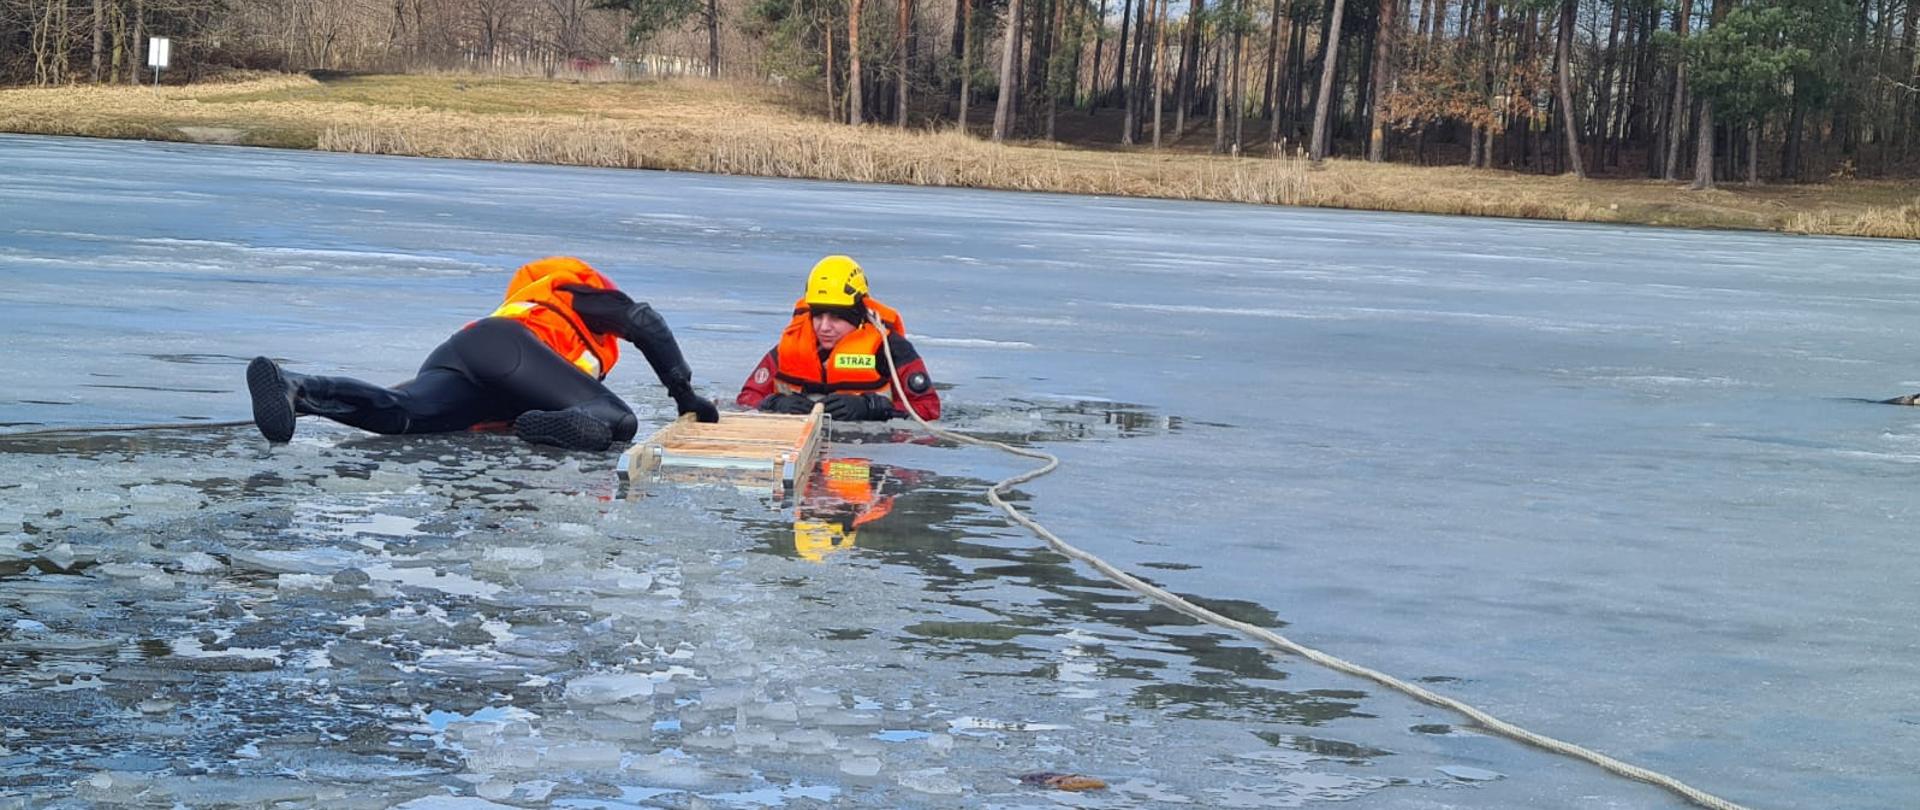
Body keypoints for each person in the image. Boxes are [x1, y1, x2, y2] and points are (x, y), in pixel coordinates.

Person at [245, 256, 717, 451]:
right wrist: (684, 395)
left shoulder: (525, 303)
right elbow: (644, 322)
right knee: (618, 420)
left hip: (465, 355)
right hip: (502, 351)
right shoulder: (579, 292)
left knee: (402, 413)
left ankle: (296, 388)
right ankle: (550, 429)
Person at [735, 255, 940, 422]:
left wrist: (873, 408)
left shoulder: (890, 350)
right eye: (818, 316)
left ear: (857, 315)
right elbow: (747, 399)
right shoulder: (791, 346)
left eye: (836, 318)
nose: (824, 327)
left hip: (869, 455)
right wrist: (774, 403)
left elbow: (928, 408)